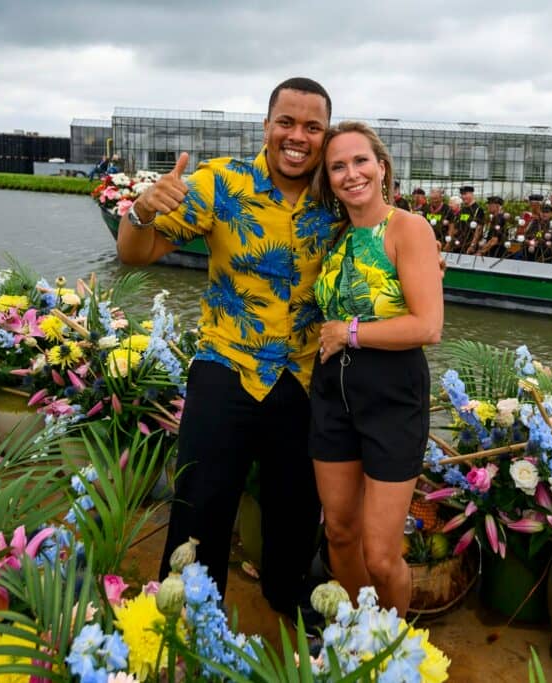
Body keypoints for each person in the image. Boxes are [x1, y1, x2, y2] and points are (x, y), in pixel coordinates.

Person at [117, 77, 337, 619]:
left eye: (312, 127)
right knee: (202, 502)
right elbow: (135, 255)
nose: (297, 136)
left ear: (325, 135)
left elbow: (384, 249)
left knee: (295, 507)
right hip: (227, 366)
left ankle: (285, 596)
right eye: (286, 122)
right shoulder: (222, 182)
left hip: (302, 376)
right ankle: (187, 609)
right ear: (266, 125)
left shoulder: (337, 197)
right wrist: (142, 212)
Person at [311, 121, 443, 613]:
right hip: (332, 393)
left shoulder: (408, 228)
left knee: (383, 554)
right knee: (340, 534)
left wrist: (347, 332)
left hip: (391, 395)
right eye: (338, 167)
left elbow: (428, 325)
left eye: (360, 161)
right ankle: (355, 632)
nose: (351, 174)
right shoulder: (336, 236)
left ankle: (393, 648)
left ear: (382, 167)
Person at [456, 185, 484, 254]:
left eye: (465, 194)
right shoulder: (462, 210)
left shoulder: (478, 210)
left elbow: (479, 229)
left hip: (469, 246)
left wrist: (473, 245)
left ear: (471, 194)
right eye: (462, 194)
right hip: (459, 244)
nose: (463, 197)